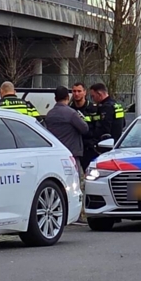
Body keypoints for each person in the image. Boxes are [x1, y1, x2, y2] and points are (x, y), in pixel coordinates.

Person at [44, 87, 90, 223]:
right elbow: (84, 128)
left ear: (55, 98)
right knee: (75, 185)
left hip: (56, 155)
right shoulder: (71, 113)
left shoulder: (50, 114)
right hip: (72, 155)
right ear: (68, 97)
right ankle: (78, 215)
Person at [70, 82, 96, 170]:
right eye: (74, 91)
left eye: (79, 91)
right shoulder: (69, 109)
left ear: (85, 92)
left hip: (89, 148)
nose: (76, 94)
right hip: (73, 148)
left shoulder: (93, 108)